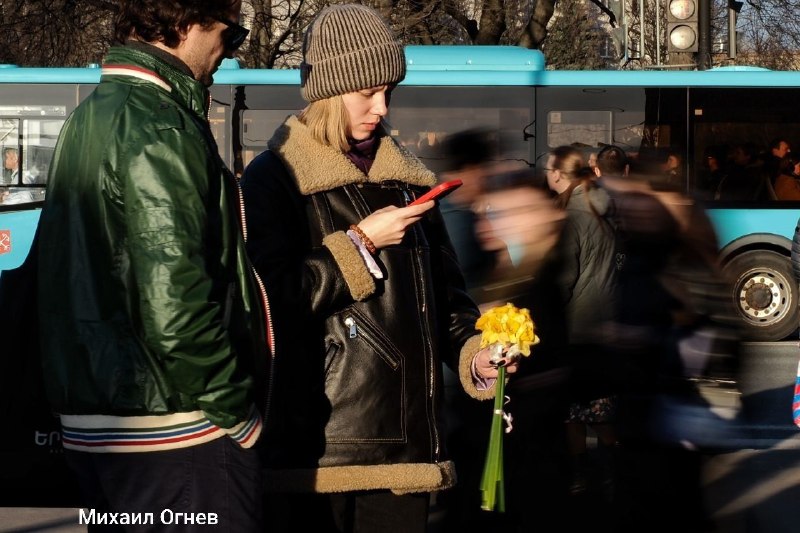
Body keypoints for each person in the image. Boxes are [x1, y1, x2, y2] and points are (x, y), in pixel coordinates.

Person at [239, 5, 518, 533]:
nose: (382, 107)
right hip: (315, 448)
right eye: (366, 92)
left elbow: (449, 305)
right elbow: (268, 300)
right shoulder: (274, 177)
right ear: (326, 90)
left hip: (406, 448)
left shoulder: (409, 180)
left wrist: (480, 358)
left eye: (389, 91)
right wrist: (361, 242)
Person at [36, 1, 268, 531]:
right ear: (185, 23)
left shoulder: (90, 114)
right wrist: (237, 412)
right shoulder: (158, 124)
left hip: (97, 422)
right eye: (228, 34)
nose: (225, 54)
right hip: (173, 427)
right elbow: (177, 305)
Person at [545, 147, 620, 499]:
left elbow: (563, 279)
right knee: (599, 407)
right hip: (606, 322)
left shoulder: (573, 217)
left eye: (548, 169)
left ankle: (583, 475)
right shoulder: (602, 206)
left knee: (576, 410)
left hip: (577, 326)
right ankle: (615, 471)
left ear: (559, 175)